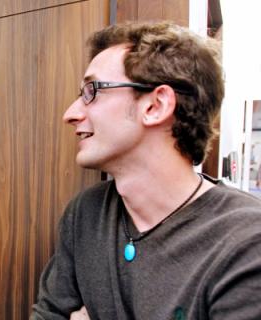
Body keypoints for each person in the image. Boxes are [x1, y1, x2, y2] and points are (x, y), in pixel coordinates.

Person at [32, 22, 261, 319]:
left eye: (92, 91)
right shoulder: (86, 213)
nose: (71, 114)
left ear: (155, 105)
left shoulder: (245, 241)